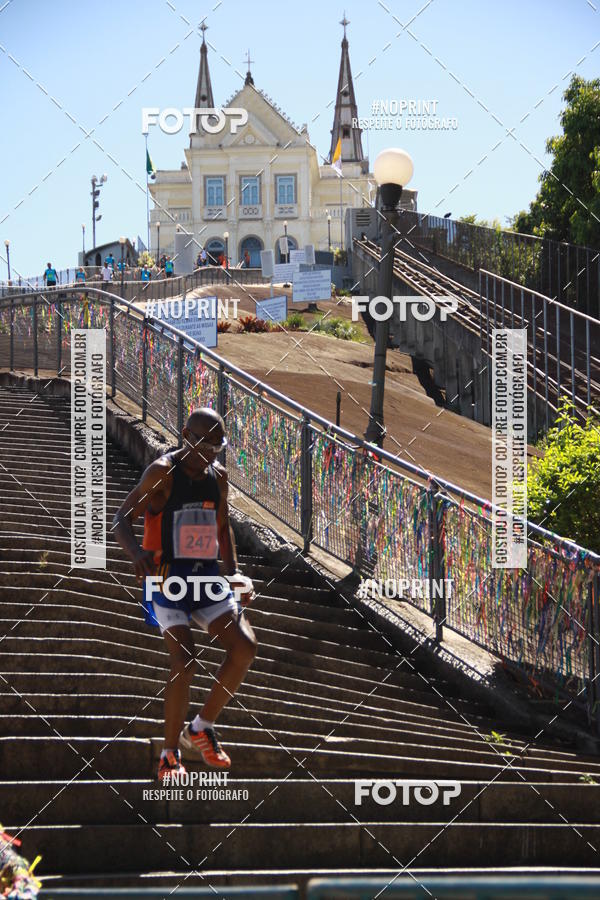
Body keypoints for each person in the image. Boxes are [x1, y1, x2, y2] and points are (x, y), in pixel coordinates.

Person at [113, 409, 257, 782]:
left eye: (216, 444)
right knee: (187, 659)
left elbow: (223, 529)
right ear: (184, 436)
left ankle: (200, 728)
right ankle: (168, 754)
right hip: (166, 581)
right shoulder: (162, 472)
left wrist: (235, 574)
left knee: (244, 646)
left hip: (206, 578)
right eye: (202, 442)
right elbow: (121, 519)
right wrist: (137, 553)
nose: (209, 451)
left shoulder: (218, 479)